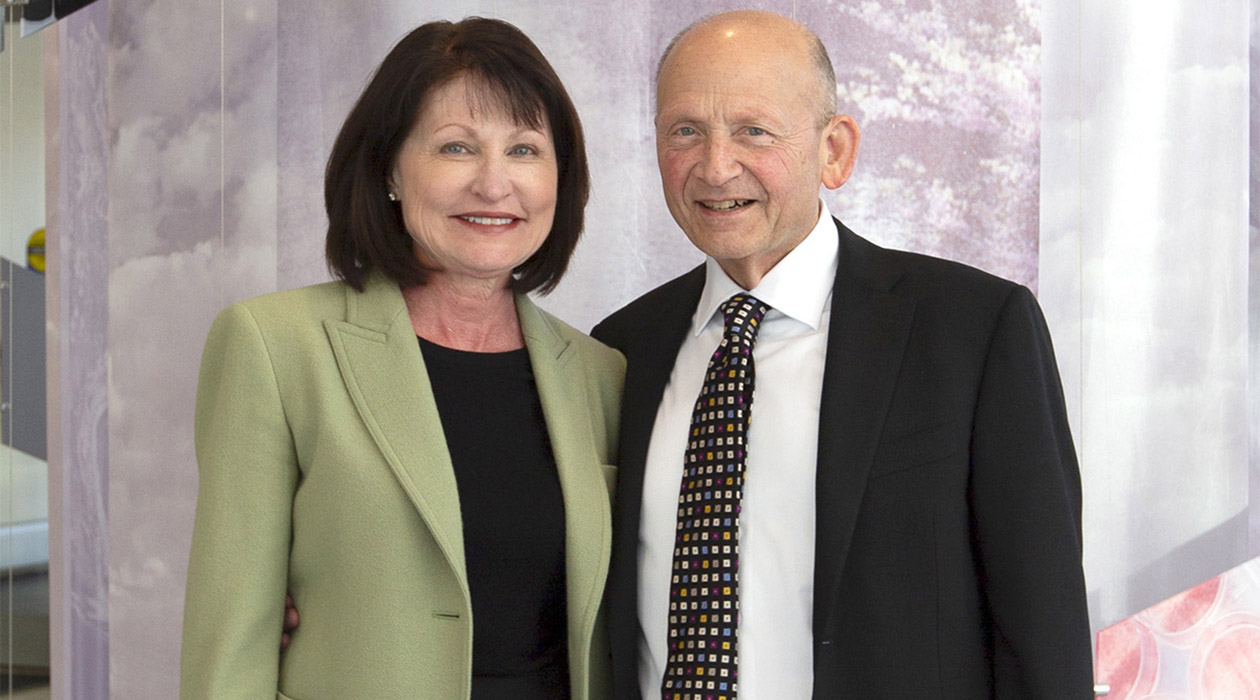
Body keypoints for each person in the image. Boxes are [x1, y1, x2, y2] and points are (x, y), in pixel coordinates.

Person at [589, 10, 1094, 699]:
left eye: (753, 130)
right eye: (685, 131)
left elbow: (1044, 631)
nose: (715, 166)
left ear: (835, 150)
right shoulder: (622, 347)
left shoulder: (973, 331)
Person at [181, 17, 622, 700]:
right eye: (456, 147)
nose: (494, 184)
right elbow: (229, 647)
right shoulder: (274, 347)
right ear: (389, 168)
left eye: (525, 149)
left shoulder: (601, 374)